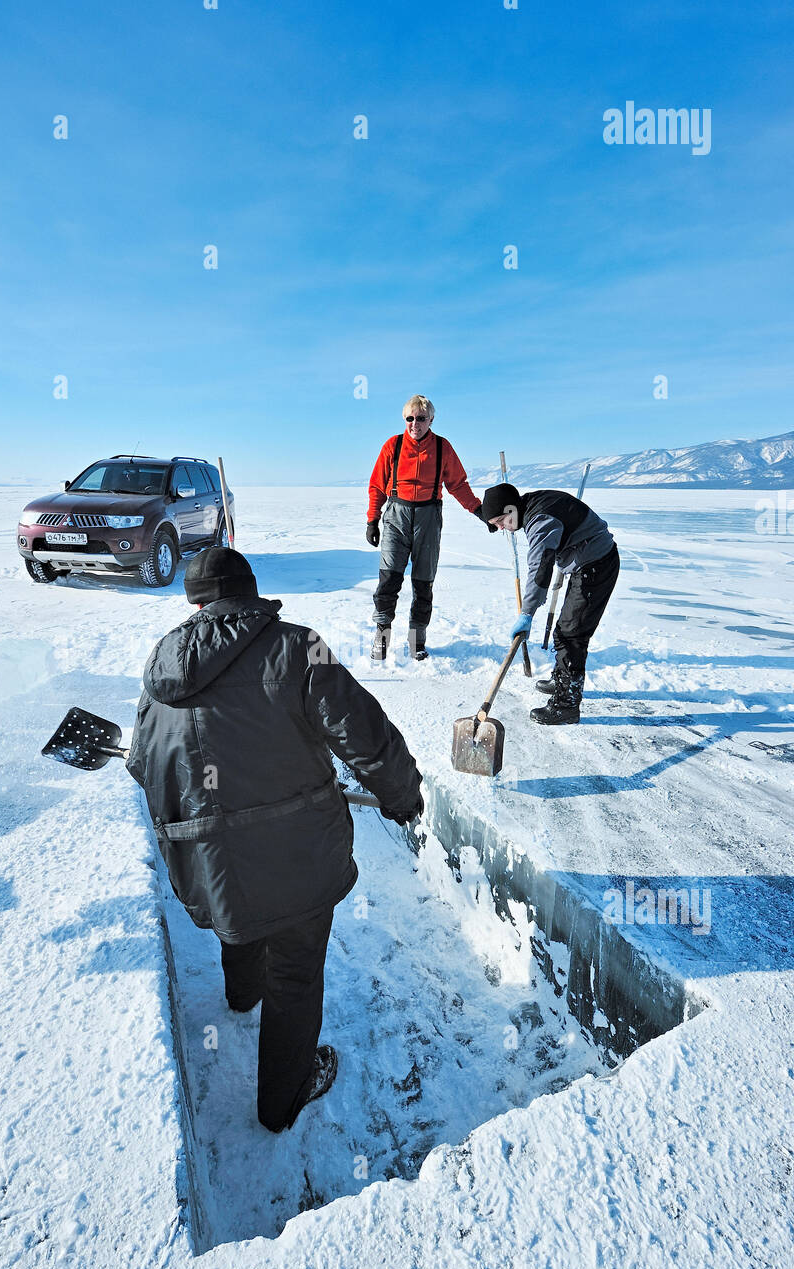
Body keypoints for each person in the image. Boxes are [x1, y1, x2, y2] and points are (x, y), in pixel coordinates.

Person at [126, 547, 423, 1133]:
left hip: (209, 857)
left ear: (194, 602)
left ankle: (241, 996)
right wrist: (401, 794)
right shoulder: (298, 646)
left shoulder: (160, 669)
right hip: (298, 856)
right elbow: (364, 733)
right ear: (254, 594)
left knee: (238, 898)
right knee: (295, 973)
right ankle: (281, 1101)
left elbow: (143, 762)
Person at [480, 483, 619, 725]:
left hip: (596, 564)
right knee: (566, 629)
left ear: (511, 508)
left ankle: (566, 704)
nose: (502, 528)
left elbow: (540, 567)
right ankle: (563, 679)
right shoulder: (531, 505)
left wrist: (527, 613)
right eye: (496, 525)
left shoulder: (540, 519)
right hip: (587, 560)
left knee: (571, 634)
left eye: (501, 521)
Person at [366, 394, 490, 662]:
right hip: (396, 516)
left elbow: (457, 484)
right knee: (389, 580)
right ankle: (382, 636)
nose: (414, 424)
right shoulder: (393, 446)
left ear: (431, 420)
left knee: (423, 582)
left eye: (420, 418)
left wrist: (479, 510)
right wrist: (372, 520)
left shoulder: (443, 448)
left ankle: (416, 640)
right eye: (410, 418)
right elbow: (377, 485)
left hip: (429, 517)